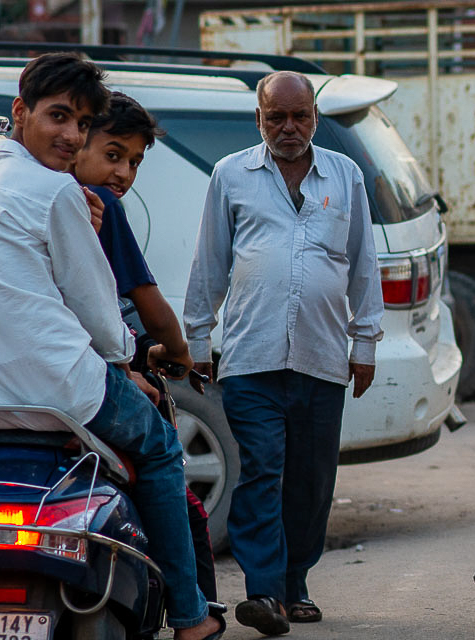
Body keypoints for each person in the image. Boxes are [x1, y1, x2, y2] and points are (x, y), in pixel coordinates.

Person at [0, 53, 222, 640]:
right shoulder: (58, 194)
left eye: (80, 122)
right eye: (59, 116)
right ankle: (189, 615)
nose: (71, 135)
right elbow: (105, 327)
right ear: (20, 112)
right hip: (68, 395)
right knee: (157, 453)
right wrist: (132, 358)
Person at [182, 71, 384, 634]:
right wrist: (198, 339)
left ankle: (297, 583)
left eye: (300, 117)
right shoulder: (231, 176)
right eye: (277, 118)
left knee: (313, 479)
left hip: (322, 356)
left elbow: (364, 264)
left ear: (314, 117)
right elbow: (210, 262)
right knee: (262, 471)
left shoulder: (345, 176)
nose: (289, 128)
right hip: (251, 355)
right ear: (260, 120)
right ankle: (264, 592)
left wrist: (364, 341)